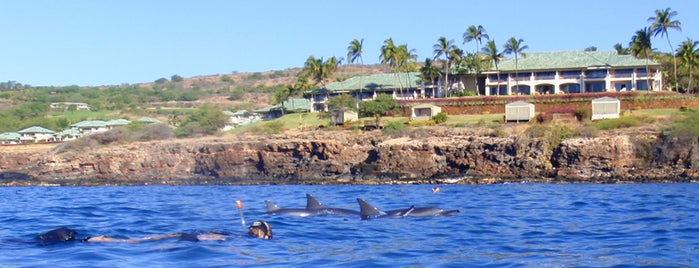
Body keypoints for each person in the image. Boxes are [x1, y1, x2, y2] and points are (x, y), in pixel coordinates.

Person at [35, 221, 272, 244]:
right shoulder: (243, 239)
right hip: (194, 237)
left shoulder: (239, 236)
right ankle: (103, 240)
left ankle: (103, 239)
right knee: (137, 242)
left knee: (139, 241)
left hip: (191, 235)